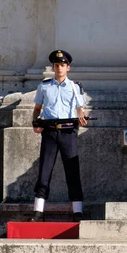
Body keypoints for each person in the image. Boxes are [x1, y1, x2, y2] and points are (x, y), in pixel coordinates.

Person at [30, 50, 88, 222]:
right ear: (53, 67)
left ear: (68, 67)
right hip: (49, 132)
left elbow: (79, 108)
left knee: (72, 171)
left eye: (62, 65)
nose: (59, 68)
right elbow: (37, 109)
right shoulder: (44, 86)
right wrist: (35, 123)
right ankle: (38, 211)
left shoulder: (74, 87)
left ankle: (77, 211)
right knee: (44, 171)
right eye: (56, 65)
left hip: (68, 132)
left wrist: (82, 117)